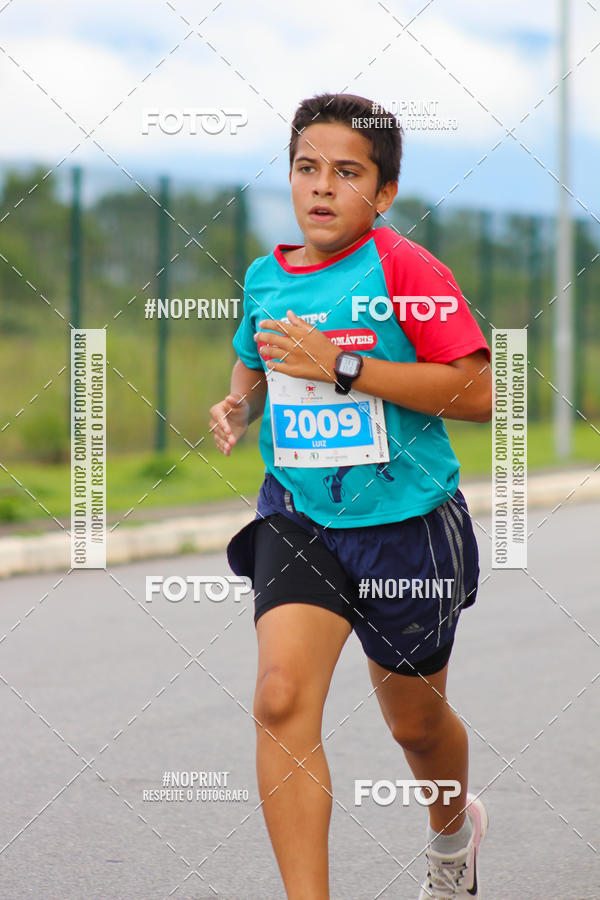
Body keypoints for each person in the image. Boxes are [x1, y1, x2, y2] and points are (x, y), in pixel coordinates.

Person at [209, 92, 492, 900]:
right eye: (307, 168)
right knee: (279, 696)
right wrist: (242, 400)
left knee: (416, 724)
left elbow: (476, 392)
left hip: (405, 527)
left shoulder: (405, 267)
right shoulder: (268, 275)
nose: (322, 187)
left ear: (383, 192)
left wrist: (344, 365)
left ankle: (450, 838)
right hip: (298, 514)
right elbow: (256, 359)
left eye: (346, 172)